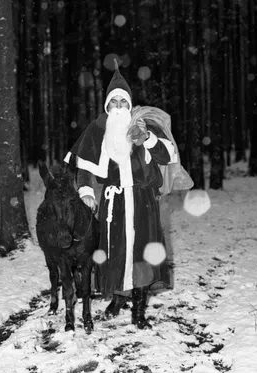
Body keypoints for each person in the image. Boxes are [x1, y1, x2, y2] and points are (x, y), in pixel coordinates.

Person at [63, 65, 180, 330]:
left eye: (122, 101)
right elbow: (84, 167)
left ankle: (138, 311)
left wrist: (147, 139)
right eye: (113, 102)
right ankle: (117, 298)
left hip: (142, 201)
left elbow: (166, 156)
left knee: (142, 253)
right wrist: (86, 192)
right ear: (107, 106)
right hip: (113, 203)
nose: (118, 107)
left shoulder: (144, 125)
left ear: (129, 104)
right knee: (115, 252)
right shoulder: (97, 130)